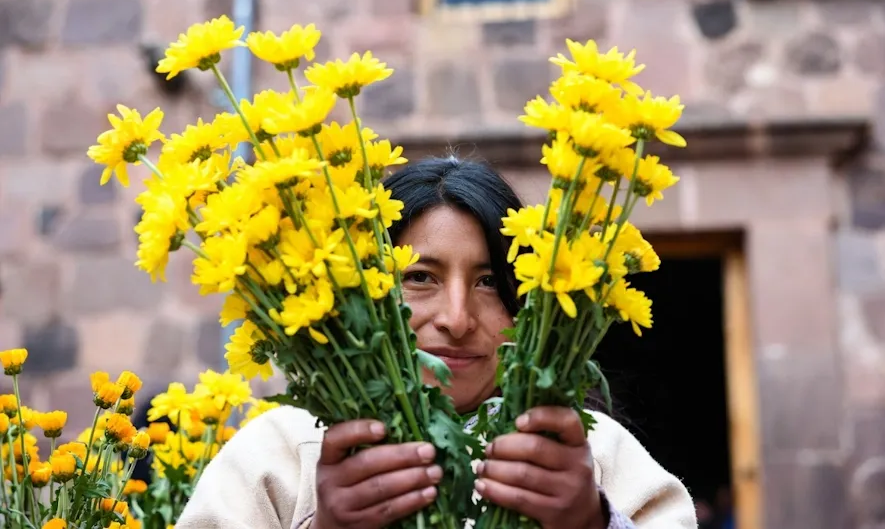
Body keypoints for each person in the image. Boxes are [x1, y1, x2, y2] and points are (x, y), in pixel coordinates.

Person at [175, 157, 698, 529]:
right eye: (421, 277)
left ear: (531, 304)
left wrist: (591, 523)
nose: (457, 318)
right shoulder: (284, 451)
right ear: (364, 292)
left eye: (489, 282)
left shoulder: (593, 453)